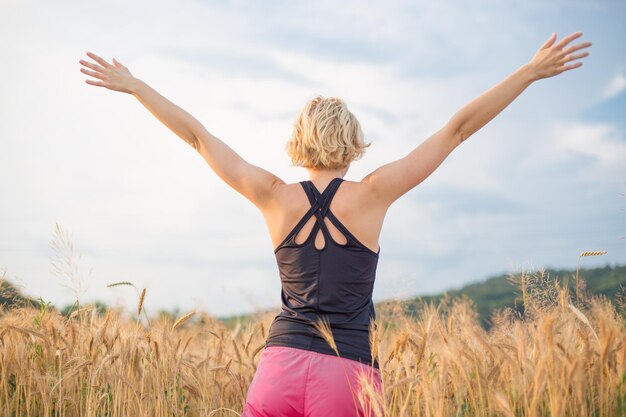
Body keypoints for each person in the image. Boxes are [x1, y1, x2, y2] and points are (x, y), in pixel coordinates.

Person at [79, 31, 591, 417]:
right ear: (354, 143)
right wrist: (527, 72)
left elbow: (197, 136)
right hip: (348, 373)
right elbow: (456, 130)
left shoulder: (271, 195)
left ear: (298, 142)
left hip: (277, 366)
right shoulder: (374, 194)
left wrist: (136, 86)